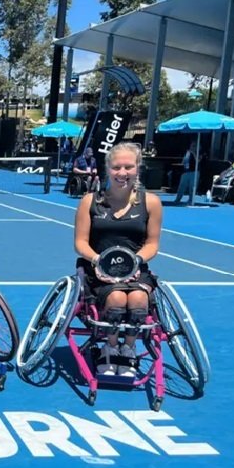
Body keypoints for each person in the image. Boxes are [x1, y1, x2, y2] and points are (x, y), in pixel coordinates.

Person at [74, 142, 163, 378]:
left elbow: (152, 244)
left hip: (135, 269)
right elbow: (80, 243)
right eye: (116, 167)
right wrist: (98, 261)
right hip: (98, 269)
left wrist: (135, 261)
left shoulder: (151, 202)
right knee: (116, 298)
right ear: (107, 169)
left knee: (138, 299)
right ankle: (111, 347)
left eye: (128, 167)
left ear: (137, 168)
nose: (122, 173)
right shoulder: (90, 201)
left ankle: (129, 348)